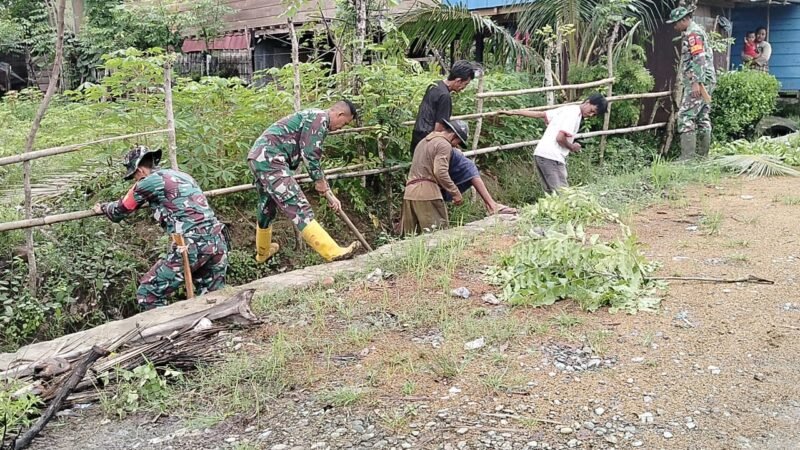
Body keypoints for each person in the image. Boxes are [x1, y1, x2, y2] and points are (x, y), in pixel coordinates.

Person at [92, 145, 228, 310]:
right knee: (211, 297)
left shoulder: (148, 182)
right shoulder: (182, 175)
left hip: (192, 244)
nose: (136, 179)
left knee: (148, 293)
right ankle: (215, 329)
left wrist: (103, 207)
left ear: (140, 170)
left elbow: (120, 210)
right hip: (217, 240)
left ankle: (167, 333)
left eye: (134, 176)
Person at [247, 101, 359, 263]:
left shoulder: (314, 116)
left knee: (267, 206)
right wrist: (320, 182)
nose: (342, 127)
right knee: (297, 203)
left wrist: (328, 192)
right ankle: (333, 252)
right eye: (345, 123)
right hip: (270, 158)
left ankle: (262, 253)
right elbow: (310, 154)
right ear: (340, 114)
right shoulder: (319, 119)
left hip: (259, 157)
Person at [410, 60, 516, 215]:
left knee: (455, 164)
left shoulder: (434, 85)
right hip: (431, 143)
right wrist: (451, 147)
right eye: (464, 85)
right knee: (468, 166)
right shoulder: (445, 96)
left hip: (417, 142)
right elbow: (438, 130)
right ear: (458, 80)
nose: (463, 88)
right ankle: (492, 205)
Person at [500, 94, 608, 194]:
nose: (591, 114)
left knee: (552, 195)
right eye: (591, 110)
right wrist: (572, 147)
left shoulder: (569, 108)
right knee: (563, 195)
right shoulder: (574, 115)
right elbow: (560, 138)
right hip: (552, 157)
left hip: (541, 154)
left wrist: (514, 112)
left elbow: (540, 114)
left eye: (594, 114)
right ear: (588, 102)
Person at [401, 119, 469, 236]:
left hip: (410, 194)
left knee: (410, 239)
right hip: (428, 194)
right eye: (458, 141)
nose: (456, 145)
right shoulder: (444, 144)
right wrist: (455, 192)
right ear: (453, 135)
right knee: (438, 236)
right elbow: (440, 172)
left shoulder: (424, 141)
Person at [667, 5, 716, 160]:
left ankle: (687, 159)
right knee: (702, 117)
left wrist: (696, 82)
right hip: (706, 79)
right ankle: (702, 157)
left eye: (676, 23)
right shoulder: (696, 31)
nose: (675, 26)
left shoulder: (693, 34)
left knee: (686, 116)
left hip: (699, 81)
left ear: (684, 20)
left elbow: (699, 58)